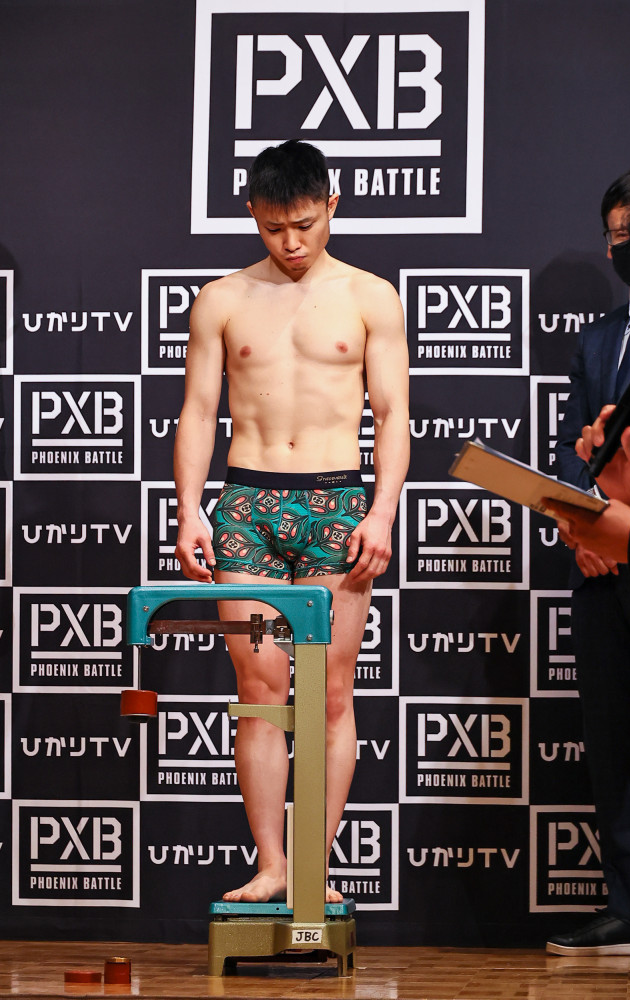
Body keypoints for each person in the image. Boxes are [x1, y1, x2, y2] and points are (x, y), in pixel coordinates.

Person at [173, 139, 410, 904]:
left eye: (304, 224)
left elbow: (392, 414)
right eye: (274, 228)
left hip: (337, 509)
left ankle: (314, 866)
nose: (291, 242)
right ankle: (272, 865)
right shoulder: (222, 299)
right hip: (247, 509)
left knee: (331, 693)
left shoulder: (371, 297)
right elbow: (198, 411)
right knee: (260, 688)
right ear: (252, 214)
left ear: (331, 205)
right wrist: (187, 508)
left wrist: (382, 512)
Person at [549, 170, 630, 956]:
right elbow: (571, 446)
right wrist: (586, 528)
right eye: (616, 235)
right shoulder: (595, 340)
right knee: (610, 737)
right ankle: (629, 905)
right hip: (598, 570)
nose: (626, 248)